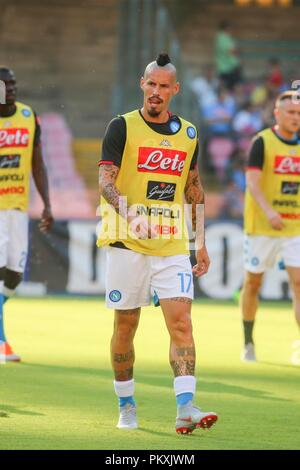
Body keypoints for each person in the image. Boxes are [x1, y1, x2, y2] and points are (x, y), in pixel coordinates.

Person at [97, 53, 218, 434]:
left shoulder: (190, 135)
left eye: (164, 86)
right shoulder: (122, 127)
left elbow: (193, 190)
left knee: (182, 324)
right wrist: (129, 212)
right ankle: (126, 403)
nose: (156, 91)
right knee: (126, 326)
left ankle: (186, 407)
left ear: (174, 90)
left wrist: (199, 242)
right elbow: (105, 183)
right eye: (151, 84)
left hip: (170, 246)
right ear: (142, 84)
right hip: (126, 244)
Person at [240, 90, 300, 362]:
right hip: (262, 226)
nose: (295, 118)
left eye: (299, 113)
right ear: (278, 114)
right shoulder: (261, 142)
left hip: (294, 226)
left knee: (298, 283)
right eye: (290, 112)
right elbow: (253, 182)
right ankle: (248, 342)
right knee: (253, 282)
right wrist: (270, 212)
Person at [0, 67, 53, 363]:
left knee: (14, 277)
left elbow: (37, 163)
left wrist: (47, 204)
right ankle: (2, 342)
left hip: (18, 208)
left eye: (13, 84)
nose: (10, 88)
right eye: (5, 84)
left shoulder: (28, 116)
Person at [215, 20, 242, 91]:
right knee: (228, 88)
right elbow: (231, 51)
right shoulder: (222, 37)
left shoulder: (226, 37)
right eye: (230, 28)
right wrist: (238, 51)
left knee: (232, 87)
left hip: (231, 67)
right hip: (226, 68)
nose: (232, 30)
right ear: (226, 28)